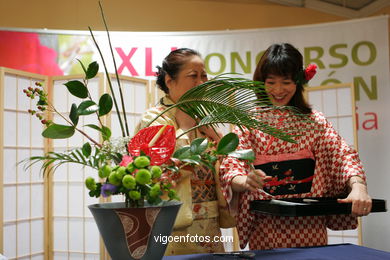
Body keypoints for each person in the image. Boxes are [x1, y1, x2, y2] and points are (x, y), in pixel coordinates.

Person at [219, 43, 372, 250]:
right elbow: (232, 164)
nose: (278, 90)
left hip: (309, 223)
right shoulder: (249, 121)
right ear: (260, 82)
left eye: (286, 82)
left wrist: (358, 187)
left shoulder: (314, 121)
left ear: (298, 82)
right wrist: (245, 180)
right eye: (271, 82)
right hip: (266, 224)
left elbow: (343, 154)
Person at [136, 48, 228, 255]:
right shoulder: (154, 118)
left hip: (210, 221)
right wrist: (185, 129)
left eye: (203, 75)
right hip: (173, 221)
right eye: (193, 76)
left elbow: (224, 163)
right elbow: (159, 172)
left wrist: (218, 139)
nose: (201, 82)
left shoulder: (204, 118)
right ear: (169, 81)